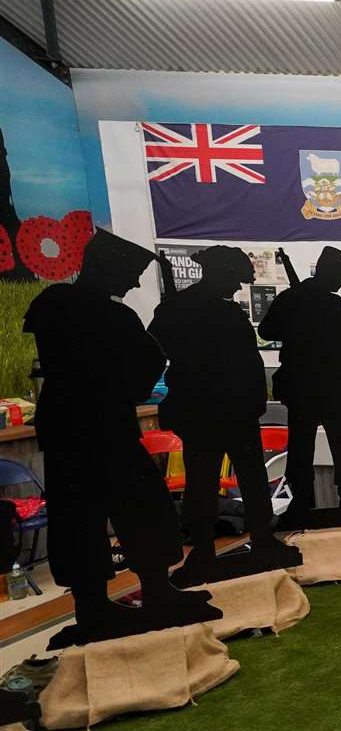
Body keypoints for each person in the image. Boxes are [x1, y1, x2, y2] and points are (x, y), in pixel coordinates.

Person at [24, 231, 219, 641]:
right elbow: (141, 368)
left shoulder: (59, 306)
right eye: (130, 274)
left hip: (75, 427)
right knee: (120, 509)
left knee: (107, 512)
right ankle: (115, 601)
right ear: (107, 267)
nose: (132, 284)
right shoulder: (98, 314)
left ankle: (132, 595)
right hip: (95, 428)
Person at [148, 245, 300, 586]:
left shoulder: (215, 309)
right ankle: (203, 551)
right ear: (220, 274)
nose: (236, 288)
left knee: (253, 478)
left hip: (238, 410)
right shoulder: (183, 309)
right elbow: (157, 349)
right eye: (234, 280)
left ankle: (261, 539)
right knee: (202, 484)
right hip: (205, 412)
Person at [258, 245, 341, 527]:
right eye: (340, 278)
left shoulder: (299, 299)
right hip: (318, 388)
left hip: (312, 388)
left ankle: (331, 498)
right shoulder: (325, 304)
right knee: (325, 444)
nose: (340, 285)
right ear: (328, 273)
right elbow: (267, 332)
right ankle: (320, 498)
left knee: (322, 444)